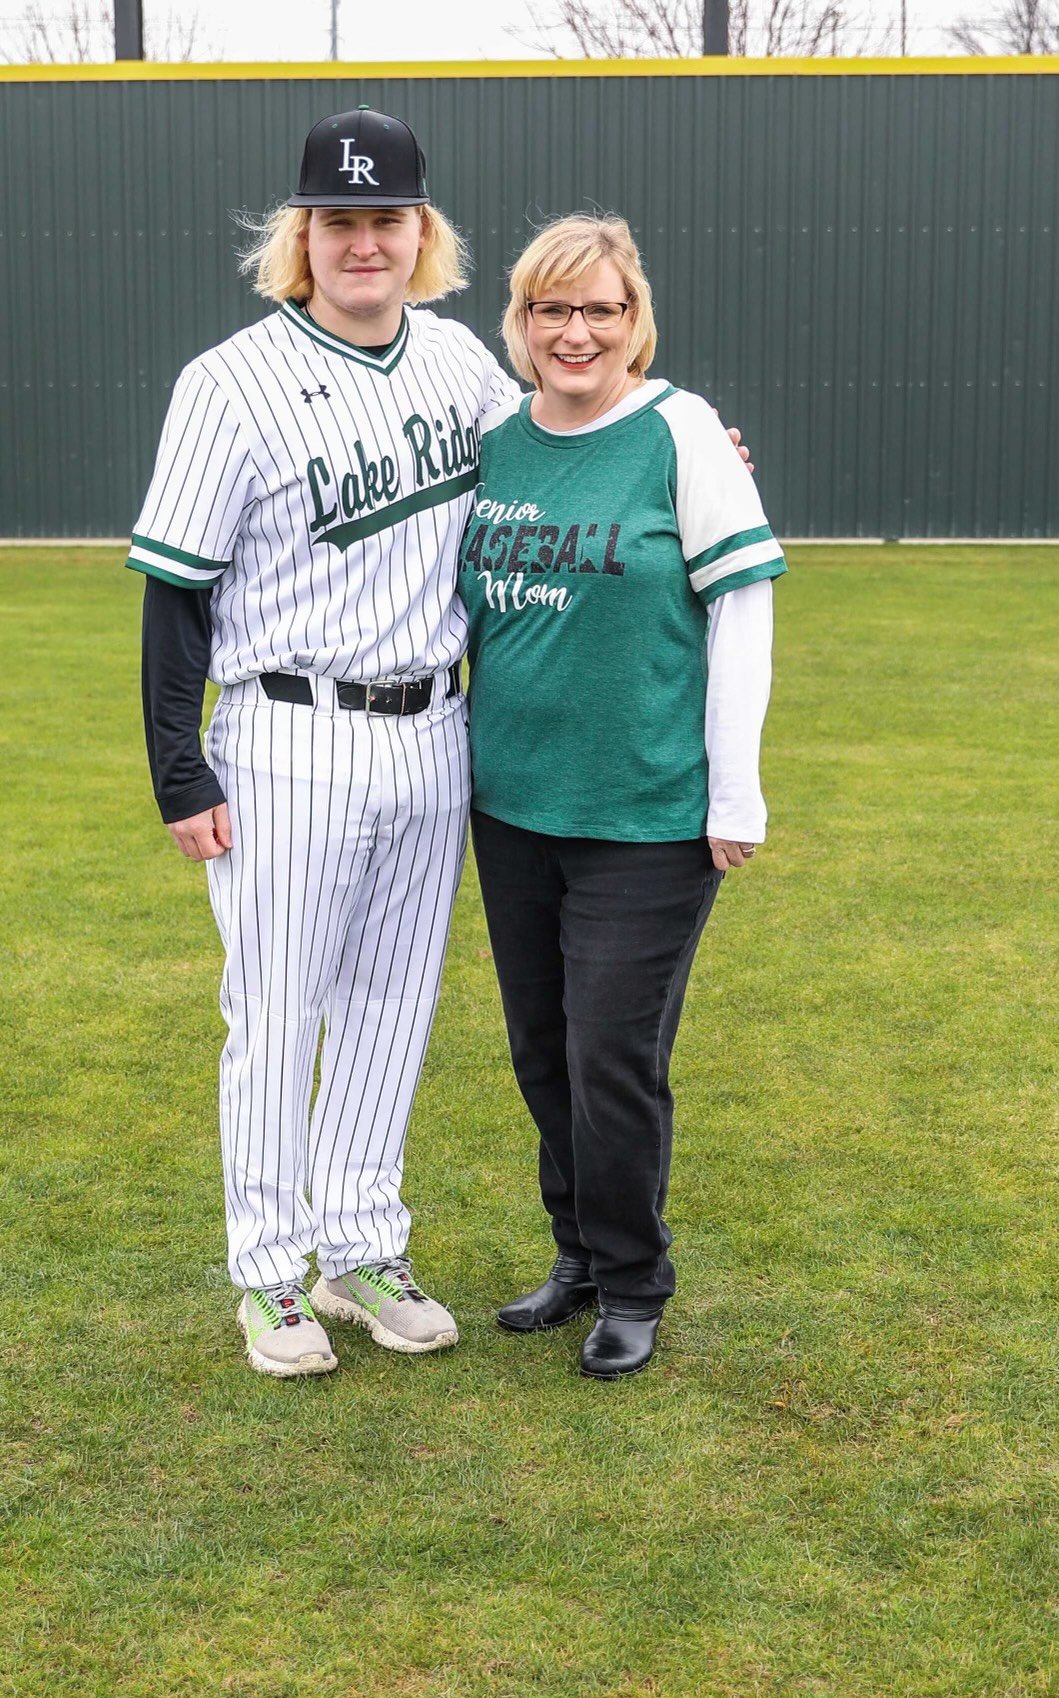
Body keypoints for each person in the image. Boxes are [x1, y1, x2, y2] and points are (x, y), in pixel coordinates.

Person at [128, 109, 524, 1377]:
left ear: (423, 232)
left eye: (386, 218)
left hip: (430, 729)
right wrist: (176, 766)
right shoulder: (226, 380)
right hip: (286, 733)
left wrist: (692, 454)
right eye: (339, 221)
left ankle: (359, 1247)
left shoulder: (463, 364)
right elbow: (175, 589)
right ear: (301, 236)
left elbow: (572, 455)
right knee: (277, 1011)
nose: (365, 241)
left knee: (393, 1006)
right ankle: (269, 1277)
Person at [459, 214, 786, 1379]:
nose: (575, 331)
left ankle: (635, 1279)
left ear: (631, 319)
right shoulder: (494, 440)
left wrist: (732, 793)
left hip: (644, 813)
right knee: (541, 1051)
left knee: (610, 1054)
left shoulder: (680, 431)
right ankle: (578, 1257)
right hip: (509, 804)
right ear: (523, 322)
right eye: (553, 309)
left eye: (599, 308)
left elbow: (740, 608)